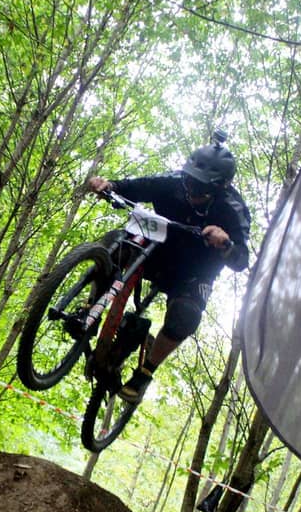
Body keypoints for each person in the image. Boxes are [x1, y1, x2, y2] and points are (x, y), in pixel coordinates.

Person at [86, 138, 250, 404]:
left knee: (186, 316)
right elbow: (134, 187)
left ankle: (145, 372)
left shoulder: (233, 209)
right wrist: (109, 186)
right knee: (116, 243)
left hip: (194, 272)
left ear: (220, 187)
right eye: (189, 181)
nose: (191, 190)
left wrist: (226, 244)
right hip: (157, 252)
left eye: (200, 187)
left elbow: (241, 260)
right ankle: (90, 309)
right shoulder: (173, 181)